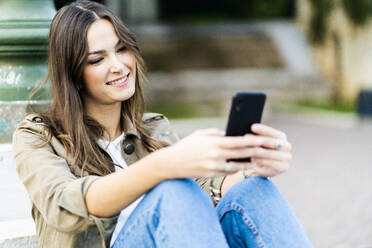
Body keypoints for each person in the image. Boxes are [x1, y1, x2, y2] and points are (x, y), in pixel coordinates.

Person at [12, 1, 313, 247]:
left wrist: (253, 165)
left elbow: (207, 190)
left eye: (121, 49)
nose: (118, 65)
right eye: (97, 60)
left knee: (252, 190)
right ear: (73, 74)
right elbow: (64, 206)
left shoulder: (153, 129)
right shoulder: (38, 134)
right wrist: (164, 166)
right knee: (172, 191)